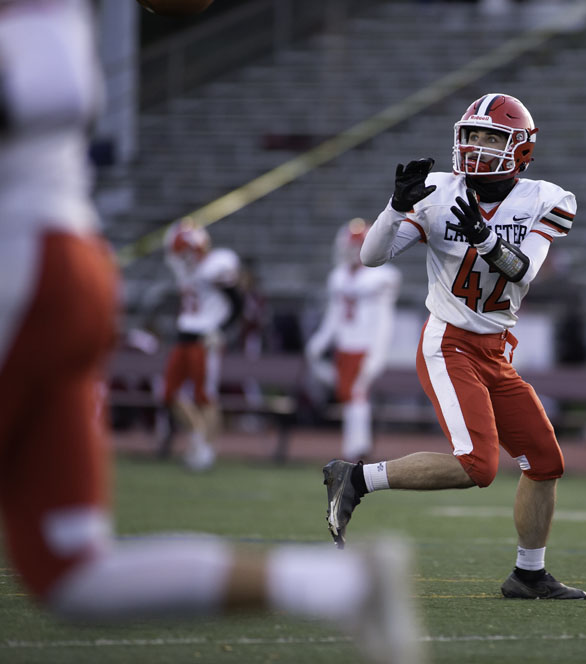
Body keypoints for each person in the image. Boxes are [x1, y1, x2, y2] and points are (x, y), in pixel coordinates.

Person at [0, 3, 421, 662]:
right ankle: (339, 586)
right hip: (56, 267)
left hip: (27, 266)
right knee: (71, 574)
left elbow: (51, 82)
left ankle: (219, 452)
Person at [322, 92, 586, 600]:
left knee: (545, 460)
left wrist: (486, 240)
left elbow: (524, 271)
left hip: (495, 348)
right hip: (449, 342)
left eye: (492, 137)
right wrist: (395, 205)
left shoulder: (547, 198)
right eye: (472, 135)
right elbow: (371, 257)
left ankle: (528, 574)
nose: (478, 145)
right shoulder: (438, 193)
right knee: (478, 466)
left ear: (521, 149)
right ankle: (355, 478)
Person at [306, 218, 401, 462]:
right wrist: (321, 339)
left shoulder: (381, 277)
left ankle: (357, 450)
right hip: (345, 345)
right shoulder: (339, 277)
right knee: (348, 396)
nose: (351, 253)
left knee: (356, 394)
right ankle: (355, 447)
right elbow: (335, 315)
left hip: (366, 345)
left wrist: (377, 354)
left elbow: (384, 320)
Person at [161, 218, 242, 470]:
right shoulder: (183, 267)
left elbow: (238, 303)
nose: (183, 258)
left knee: (205, 396)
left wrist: (221, 331)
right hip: (184, 334)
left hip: (205, 337)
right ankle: (198, 435)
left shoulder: (216, 265)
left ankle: (206, 451)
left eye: (187, 252)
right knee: (168, 393)